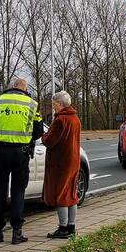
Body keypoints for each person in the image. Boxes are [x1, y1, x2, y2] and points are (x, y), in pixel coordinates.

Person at [0, 77, 43, 244]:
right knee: (18, 191)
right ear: (25, 89)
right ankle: (17, 233)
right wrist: (25, 138)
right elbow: (38, 131)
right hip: (21, 153)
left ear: (13, 87)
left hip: (1, 152)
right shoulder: (32, 104)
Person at [42, 91, 81, 239]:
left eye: (54, 104)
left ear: (60, 104)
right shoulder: (75, 118)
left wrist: (43, 135)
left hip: (61, 162)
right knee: (71, 193)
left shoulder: (60, 120)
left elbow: (49, 141)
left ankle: (63, 228)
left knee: (61, 194)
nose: (53, 107)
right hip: (73, 160)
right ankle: (71, 226)